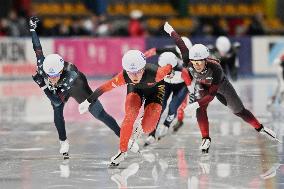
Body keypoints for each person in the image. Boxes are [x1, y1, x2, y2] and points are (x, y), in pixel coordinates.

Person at [29, 17, 138, 159]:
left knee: (100, 114)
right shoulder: (43, 66)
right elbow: (37, 48)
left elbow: (56, 99)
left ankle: (125, 137)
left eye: (55, 75)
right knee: (57, 110)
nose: (52, 79)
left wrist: (43, 85)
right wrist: (32, 29)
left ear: (61, 71)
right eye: (49, 75)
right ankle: (63, 142)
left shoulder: (71, 75)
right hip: (62, 88)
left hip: (76, 86)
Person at [163, 21, 279, 153]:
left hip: (220, 86)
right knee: (200, 110)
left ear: (205, 60)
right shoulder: (187, 60)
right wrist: (171, 31)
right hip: (202, 85)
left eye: (200, 62)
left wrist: (195, 103)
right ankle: (205, 138)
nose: (197, 65)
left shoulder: (216, 68)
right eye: (194, 62)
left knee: (239, 111)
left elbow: (212, 95)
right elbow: (181, 44)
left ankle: (260, 127)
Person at [79, 49, 177, 166]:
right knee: (130, 116)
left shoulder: (156, 73)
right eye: (131, 72)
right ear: (126, 71)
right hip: (135, 91)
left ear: (144, 68)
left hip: (155, 92)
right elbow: (104, 87)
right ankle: (122, 152)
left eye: (138, 72)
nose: (134, 76)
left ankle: (143, 121)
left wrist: (171, 71)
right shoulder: (124, 76)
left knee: (148, 128)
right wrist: (88, 101)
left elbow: (168, 67)